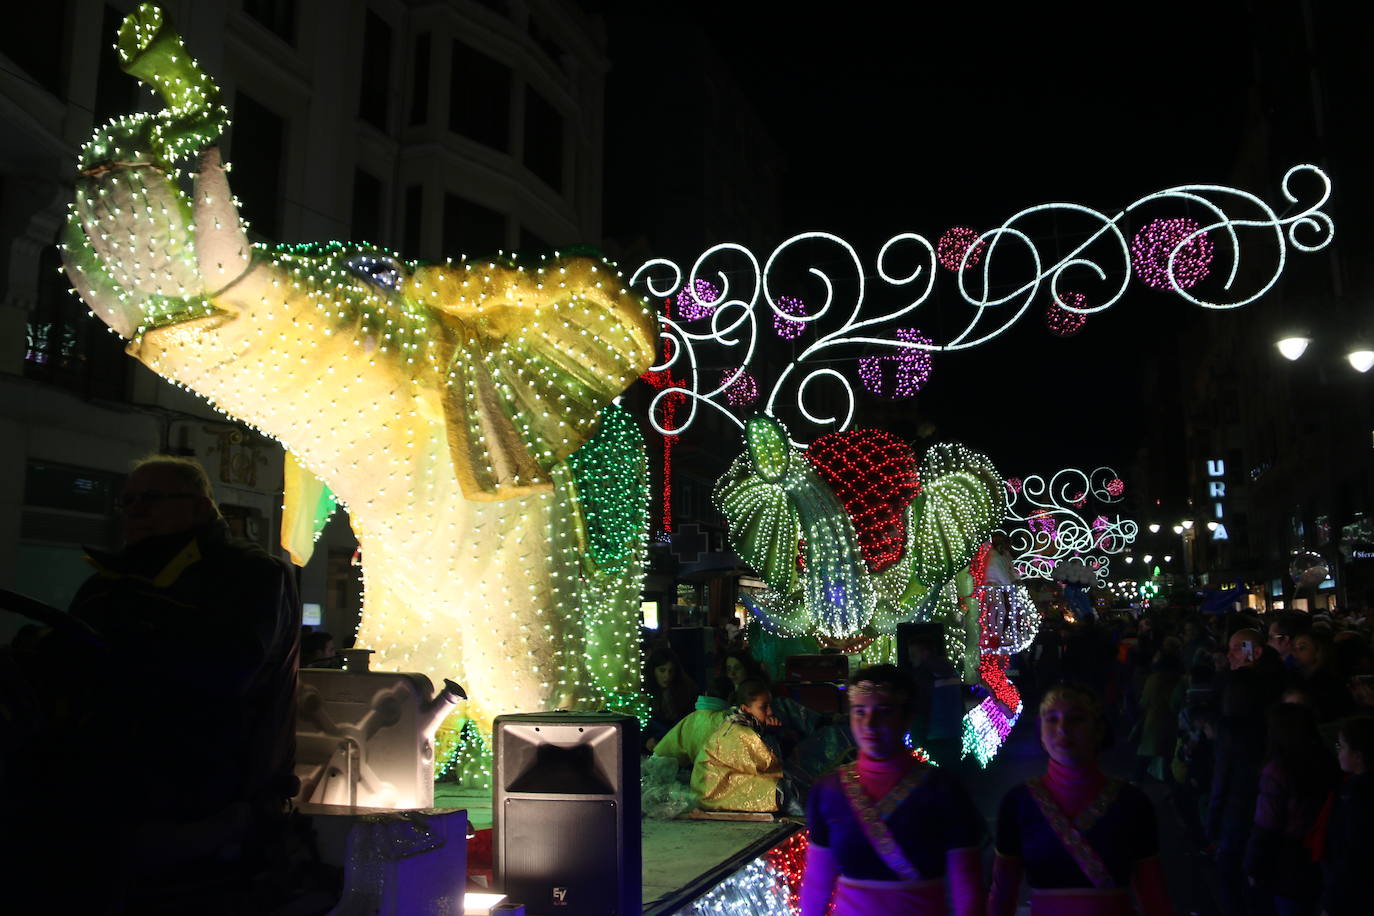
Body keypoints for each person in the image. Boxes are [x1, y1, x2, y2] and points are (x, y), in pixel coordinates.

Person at [64, 456, 301, 900]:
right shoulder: (110, 580)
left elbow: (227, 671)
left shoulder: (251, 574)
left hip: (208, 796)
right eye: (128, 501)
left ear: (200, 509)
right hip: (111, 786)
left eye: (151, 499)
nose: (135, 510)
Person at [801, 664, 984, 916]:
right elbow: (816, 885)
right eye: (859, 711)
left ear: (907, 718)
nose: (870, 723)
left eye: (884, 711)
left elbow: (967, 887)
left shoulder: (943, 790)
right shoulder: (828, 792)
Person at [988, 683, 1173, 916]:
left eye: (1076, 719)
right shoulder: (1018, 804)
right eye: (1051, 719)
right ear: (1041, 734)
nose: (1063, 729)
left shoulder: (1132, 803)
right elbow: (1002, 893)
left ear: (1098, 731)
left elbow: (1154, 894)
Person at [1243, 702, 1338, 915]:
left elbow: (1266, 825)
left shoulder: (1278, 770)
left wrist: (1253, 866)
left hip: (1287, 859)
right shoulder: (1327, 760)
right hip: (1321, 852)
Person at [691, 678, 783, 812]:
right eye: (764, 707)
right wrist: (772, 736)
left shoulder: (748, 725)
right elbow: (767, 766)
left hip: (726, 781)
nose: (770, 712)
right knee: (782, 791)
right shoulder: (738, 731)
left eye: (770, 706)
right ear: (745, 709)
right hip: (712, 790)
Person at [1320, 716, 1374, 915]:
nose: (1338, 752)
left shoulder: (1356, 796)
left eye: (1341, 746)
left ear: (1358, 756)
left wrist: (1331, 902)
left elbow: (1350, 854)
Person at [653, 676, 734, 769]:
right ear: (731, 696)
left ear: (706, 694)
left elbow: (661, 755)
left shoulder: (691, 719)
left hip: (695, 778)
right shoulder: (733, 720)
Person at [644, 647, 697, 749]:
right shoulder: (646, 693)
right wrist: (646, 741)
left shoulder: (686, 690)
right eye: (662, 670)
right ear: (653, 671)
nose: (667, 676)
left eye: (671, 671)